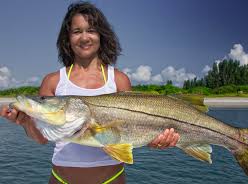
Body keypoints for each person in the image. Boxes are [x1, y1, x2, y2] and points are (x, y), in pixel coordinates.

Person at [0, 2, 180, 184]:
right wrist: (25, 122)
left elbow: (131, 133)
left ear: (101, 36)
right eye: (77, 31)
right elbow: (41, 139)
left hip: (112, 178)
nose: (84, 37)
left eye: (91, 30)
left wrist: (156, 140)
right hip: (61, 178)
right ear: (67, 38)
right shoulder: (53, 81)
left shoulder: (118, 79)